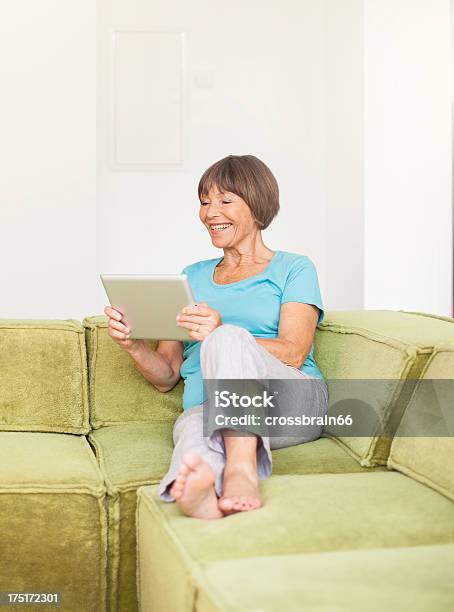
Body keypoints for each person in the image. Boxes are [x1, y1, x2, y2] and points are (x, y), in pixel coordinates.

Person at [104, 154, 328, 520]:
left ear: (257, 205)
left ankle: (242, 471)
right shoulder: (191, 277)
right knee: (192, 424)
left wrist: (221, 333)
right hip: (210, 410)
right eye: (205, 202)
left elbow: (293, 352)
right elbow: (167, 375)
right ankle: (201, 496)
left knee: (225, 339)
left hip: (291, 402)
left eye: (225, 201)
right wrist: (133, 345)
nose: (210, 213)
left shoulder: (294, 268)